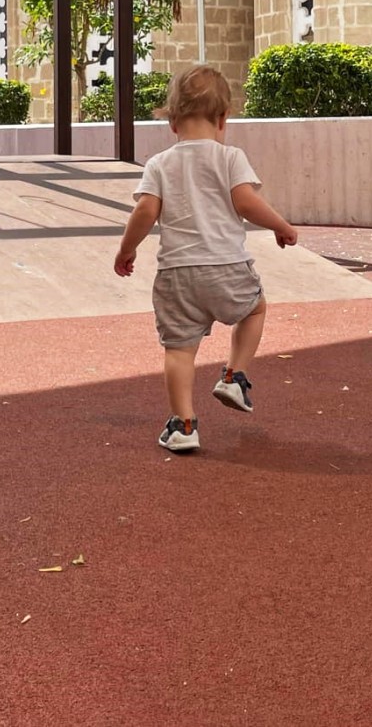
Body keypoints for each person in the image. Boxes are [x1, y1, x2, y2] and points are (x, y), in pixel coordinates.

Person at [113, 65, 298, 453]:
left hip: (177, 275)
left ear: (172, 123)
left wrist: (127, 249)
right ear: (223, 118)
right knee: (255, 309)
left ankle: (183, 425)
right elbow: (246, 202)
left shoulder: (159, 164)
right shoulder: (230, 157)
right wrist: (281, 226)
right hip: (227, 266)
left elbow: (145, 210)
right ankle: (234, 376)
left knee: (180, 350)